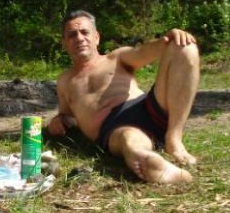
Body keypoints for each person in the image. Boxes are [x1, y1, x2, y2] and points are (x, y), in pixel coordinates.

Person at [48, 10, 199, 184]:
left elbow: (142, 51)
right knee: (130, 140)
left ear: (96, 37)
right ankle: (156, 165)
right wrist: (58, 120)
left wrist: (166, 40)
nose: (79, 38)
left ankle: (174, 139)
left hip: (147, 106)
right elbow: (67, 116)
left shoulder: (116, 58)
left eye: (84, 32)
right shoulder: (65, 80)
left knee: (185, 47)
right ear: (64, 43)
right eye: (72, 35)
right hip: (116, 128)